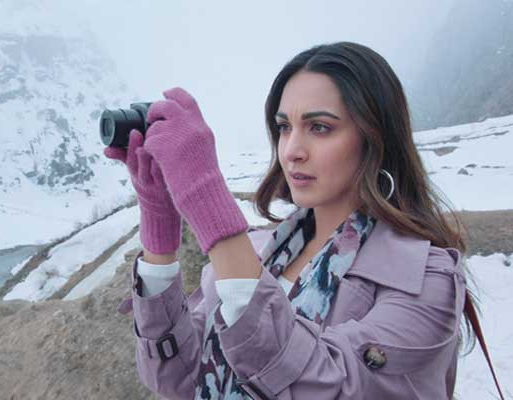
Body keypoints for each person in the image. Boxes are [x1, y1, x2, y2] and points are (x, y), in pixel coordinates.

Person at [105, 42, 488, 399]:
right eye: (285, 126)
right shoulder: (258, 252)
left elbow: (330, 387)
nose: (291, 150)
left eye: (320, 127)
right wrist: (159, 229)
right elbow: (177, 381)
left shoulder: (425, 278)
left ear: (376, 139)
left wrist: (210, 207)